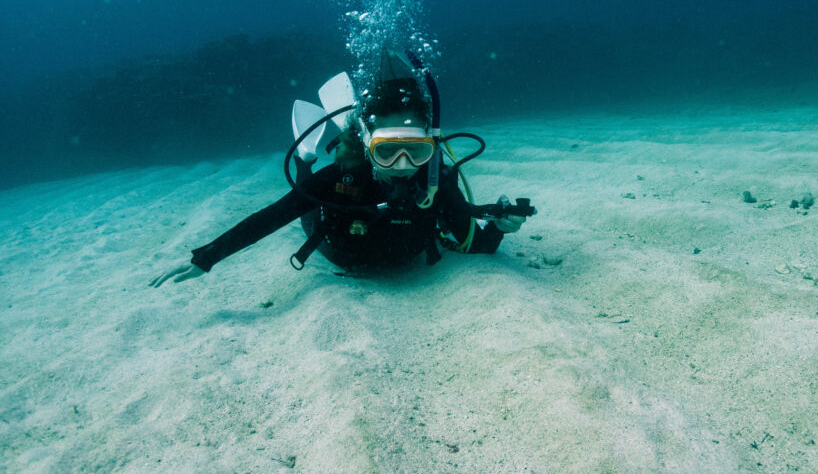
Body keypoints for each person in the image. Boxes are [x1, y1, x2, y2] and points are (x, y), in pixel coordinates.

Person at [150, 50, 534, 287]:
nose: (403, 166)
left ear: (430, 147)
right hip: (335, 244)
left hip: (395, 260)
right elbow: (271, 217)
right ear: (368, 145)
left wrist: (501, 227)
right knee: (307, 190)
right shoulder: (341, 179)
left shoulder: (434, 181)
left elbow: (478, 243)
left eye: (415, 151)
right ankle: (306, 154)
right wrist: (207, 257)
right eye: (387, 152)